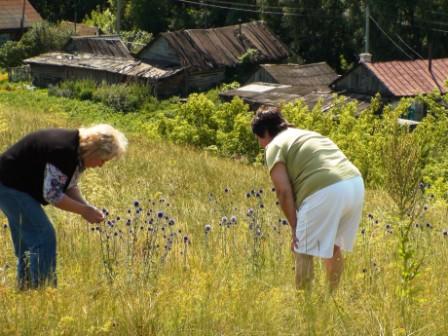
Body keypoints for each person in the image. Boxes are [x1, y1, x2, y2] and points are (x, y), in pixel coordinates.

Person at [0, 124, 128, 289]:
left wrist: (87, 207)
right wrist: (84, 211)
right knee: (43, 237)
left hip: (10, 184)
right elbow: (52, 195)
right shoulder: (63, 150)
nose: (101, 165)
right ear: (94, 150)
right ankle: (43, 293)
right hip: (9, 186)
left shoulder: (76, 153)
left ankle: (26, 293)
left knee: (28, 243)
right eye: (103, 160)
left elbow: (68, 185)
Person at [251, 106, 364, 290]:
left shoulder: (275, 146)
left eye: (258, 138)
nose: (260, 145)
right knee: (333, 247)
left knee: (302, 249)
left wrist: (295, 227)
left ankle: (306, 308)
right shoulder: (307, 134)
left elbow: (283, 191)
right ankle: (331, 300)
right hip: (354, 183)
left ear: (265, 133)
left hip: (326, 190)